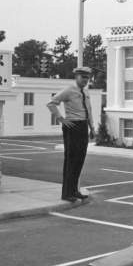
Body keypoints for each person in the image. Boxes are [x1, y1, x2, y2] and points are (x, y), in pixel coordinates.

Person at [47, 66, 96, 202]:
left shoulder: (85, 92)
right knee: (71, 160)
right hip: (72, 126)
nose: (85, 80)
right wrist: (61, 119)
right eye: (83, 77)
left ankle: (74, 190)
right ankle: (67, 193)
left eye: (87, 78)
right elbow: (51, 103)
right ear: (76, 77)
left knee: (80, 160)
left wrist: (92, 128)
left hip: (83, 126)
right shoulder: (69, 90)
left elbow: (89, 111)